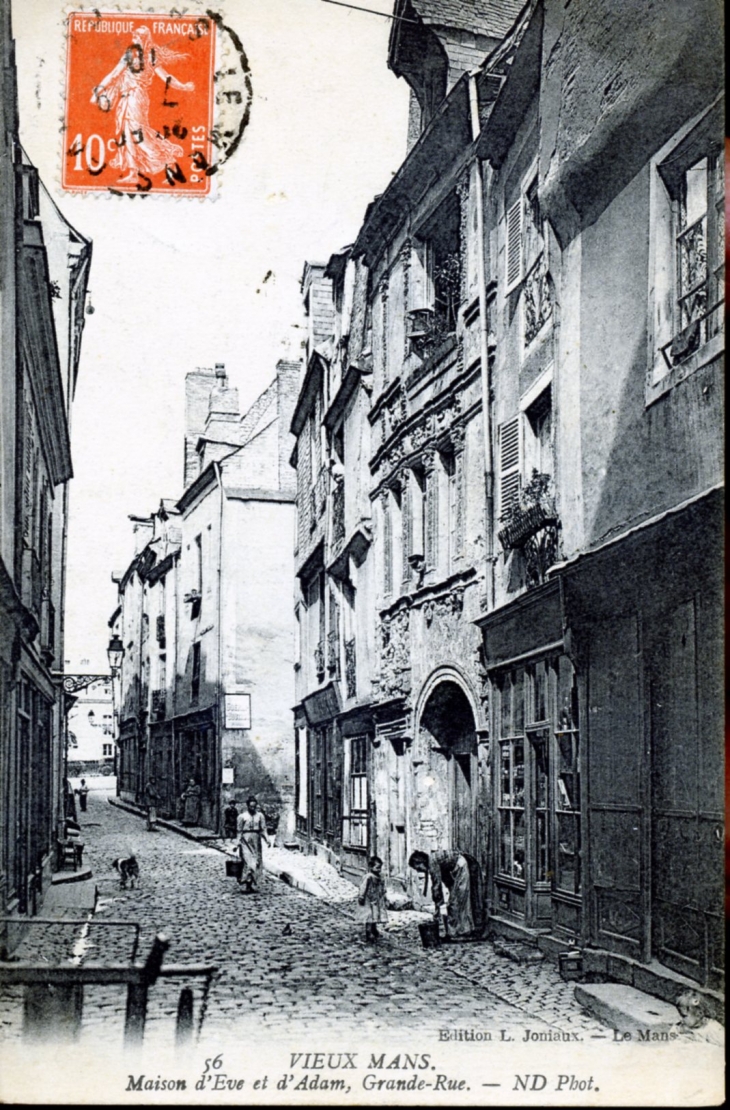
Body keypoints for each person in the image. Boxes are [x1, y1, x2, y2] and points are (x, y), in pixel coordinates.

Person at [90, 25, 194, 184]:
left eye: (138, 37)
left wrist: (183, 86)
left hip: (137, 98)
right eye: (134, 36)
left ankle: (170, 164)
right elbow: (114, 74)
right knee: (127, 134)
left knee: (140, 134)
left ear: (145, 39)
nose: (134, 39)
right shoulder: (129, 55)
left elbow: (166, 77)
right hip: (126, 98)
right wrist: (99, 90)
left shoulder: (151, 57)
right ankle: (133, 172)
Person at [409, 848, 484, 939]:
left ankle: (459, 932)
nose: (418, 871)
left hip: (461, 868)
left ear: (420, 862)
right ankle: (459, 931)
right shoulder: (433, 860)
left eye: (417, 868)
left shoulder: (432, 862)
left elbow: (436, 885)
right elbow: (445, 878)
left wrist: (437, 906)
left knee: (456, 903)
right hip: (458, 870)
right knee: (455, 903)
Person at [236, 796, 270, 893]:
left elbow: (263, 829)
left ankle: (250, 884)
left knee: (256, 862)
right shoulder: (242, 817)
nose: (252, 808)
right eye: (251, 807)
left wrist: (267, 839)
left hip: (256, 840)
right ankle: (246, 883)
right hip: (245, 840)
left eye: (254, 807)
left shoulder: (260, 816)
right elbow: (239, 831)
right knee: (247, 862)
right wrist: (237, 843)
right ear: (247, 806)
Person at [357, 855, 388, 943]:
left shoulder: (380, 877)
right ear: (371, 867)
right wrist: (361, 896)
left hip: (377, 899)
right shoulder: (368, 877)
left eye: (380, 868)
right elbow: (363, 887)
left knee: (375, 916)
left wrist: (384, 895)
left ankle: (374, 929)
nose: (379, 870)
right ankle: (369, 933)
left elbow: (382, 887)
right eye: (377, 868)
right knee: (369, 917)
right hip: (368, 900)